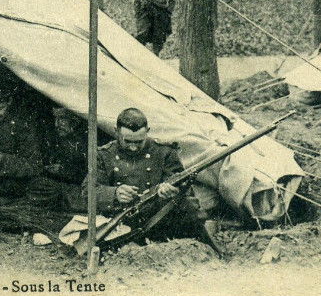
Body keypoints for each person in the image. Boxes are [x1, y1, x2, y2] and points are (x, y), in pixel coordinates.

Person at [93, 108, 223, 256]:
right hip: (123, 222)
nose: (133, 147)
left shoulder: (164, 152)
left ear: (147, 131)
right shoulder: (103, 155)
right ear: (116, 132)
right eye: (128, 141)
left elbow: (179, 183)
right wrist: (114, 194)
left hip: (158, 218)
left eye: (139, 142)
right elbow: (88, 190)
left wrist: (171, 191)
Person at [42, 104, 89, 211]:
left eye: (62, 119)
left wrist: (63, 170)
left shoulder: (86, 141)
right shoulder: (54, 137)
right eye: (55, 118)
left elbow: (89, 174)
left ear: (75, 120)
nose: (56, 124)